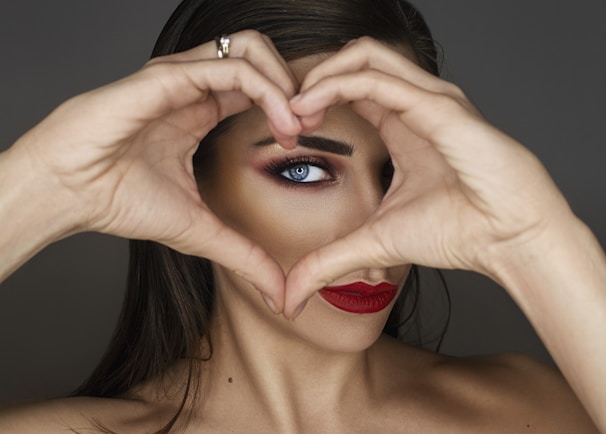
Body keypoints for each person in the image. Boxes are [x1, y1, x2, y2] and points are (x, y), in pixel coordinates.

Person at [0, 0, 604, 432]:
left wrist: (536, 242)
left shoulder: (535, 410)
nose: (377, 238)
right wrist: (43, 185)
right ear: (191, 177)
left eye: (397, 174)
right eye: (304, 170)